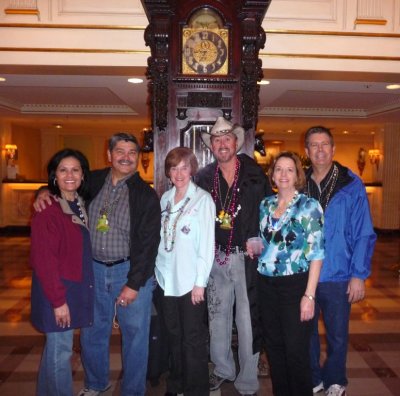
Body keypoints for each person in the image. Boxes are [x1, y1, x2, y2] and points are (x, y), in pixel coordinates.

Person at [34, 133, 161, 396]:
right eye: (120, 152)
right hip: (91, 270)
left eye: (132, 153)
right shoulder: (91, 181)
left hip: (129, 271)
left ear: (138, 158)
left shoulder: (145, 195)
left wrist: (134, 284)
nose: (126, 157)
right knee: (92, 331)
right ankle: (95, 383)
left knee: (135, 336)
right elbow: (63, 186)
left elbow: (149, 245)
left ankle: (133, 391)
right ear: (109, 155)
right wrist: (42, 191)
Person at [195, 116, 272, 396]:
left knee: (247, 319)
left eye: (227, 138)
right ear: (212, 146)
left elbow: (269, 212)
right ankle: (223, 369)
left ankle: (248, 380)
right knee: (217, 318)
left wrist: (259, 236)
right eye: (217, 140)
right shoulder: (203, 177)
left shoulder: (254, 173)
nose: (222, 143)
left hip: (247, 259)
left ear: (236, 142)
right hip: (216, 256)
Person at [304, 126, 376, 396]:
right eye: (314, 145)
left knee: (336, 334)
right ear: (307, 150)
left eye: (324, 144)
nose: (319, 150)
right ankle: (313, 377)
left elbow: (364, 232)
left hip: (338, 272)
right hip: (304, 274)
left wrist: (359, 274)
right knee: (306, 333)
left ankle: (335, 378)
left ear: (332, 149)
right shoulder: (301, 184)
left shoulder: (351, 184)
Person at [247, 151, 325, 396]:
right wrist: (255, 246)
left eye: (289, 169)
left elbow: (317, 254)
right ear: (272, 174)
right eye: (278, 169)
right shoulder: (266, 204)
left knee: (296, 352)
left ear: (297, 175)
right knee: (275, 349)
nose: (283, 174)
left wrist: (309, 296)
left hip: (296, 285)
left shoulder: (309, 206)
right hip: (266, 284)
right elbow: (268, 241)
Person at [30, 148, 93, 396]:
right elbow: (43, 260)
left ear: (83, 175)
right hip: (56, 292)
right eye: (63, 170)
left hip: (71, 288)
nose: (70, 175)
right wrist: (58, 302)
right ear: (54, 176)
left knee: (56, 349)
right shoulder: (49, 210)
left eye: (75, 170)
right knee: (61, 350)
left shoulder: (79, 204)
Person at [155, 147, 215, 396]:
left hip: (190, 282)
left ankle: (196, 390)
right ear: (168, 172)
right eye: (173, 167)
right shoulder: (165, 198)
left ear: (192, 169)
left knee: (192, 340)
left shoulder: (203, 200)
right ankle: (176, 384)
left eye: (184, 167)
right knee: (173, 336)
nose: (178, 173)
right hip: (165, 279)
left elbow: (207, 245)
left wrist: (200, 283)